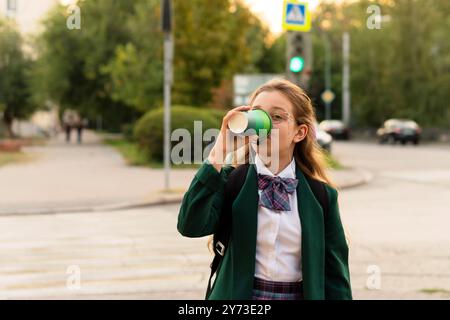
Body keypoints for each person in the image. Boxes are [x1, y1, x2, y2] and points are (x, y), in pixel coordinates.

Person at [177, 79, 352, 300]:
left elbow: (336, 278)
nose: (265, 124)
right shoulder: (231, 182)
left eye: (277, 117)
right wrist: (219, 152)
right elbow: (189, 225)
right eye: (258, 115)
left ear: (299, 133)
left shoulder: (322, 196)